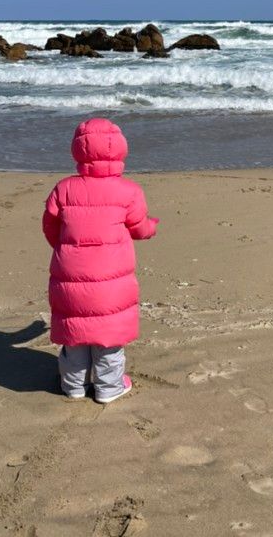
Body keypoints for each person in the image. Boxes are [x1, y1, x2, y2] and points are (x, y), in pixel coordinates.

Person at [42, 118, 158, 402]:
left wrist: (65, 249)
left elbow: (50, 227)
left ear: (77, 151)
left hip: (70, 276)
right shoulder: (129, 191)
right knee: (108, 338)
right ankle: (108, 389)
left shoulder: (63, 189)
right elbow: (140, 227)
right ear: (120, 150)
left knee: (75, 335)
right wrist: (152, 226)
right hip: (111, 280)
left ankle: (73, 387)